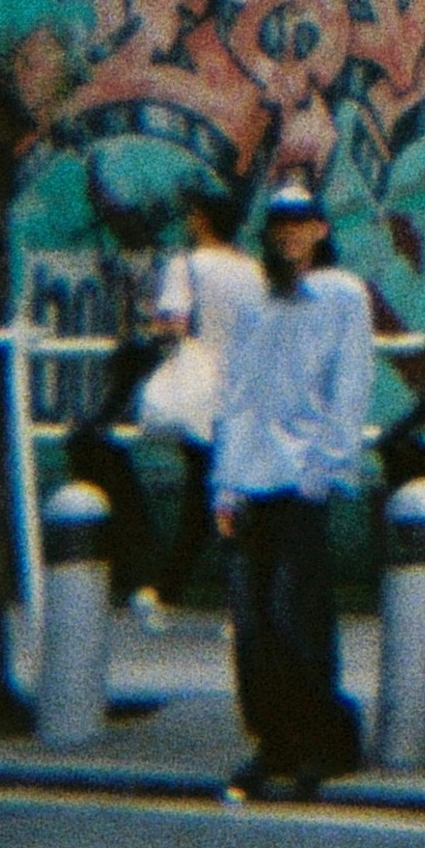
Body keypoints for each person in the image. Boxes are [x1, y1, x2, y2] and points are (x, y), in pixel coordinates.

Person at [210, 178, 375, 800]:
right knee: (251, 622)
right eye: (279, 223)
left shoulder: (340, 296)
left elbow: (350, 386)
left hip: (300, 476)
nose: (289, 233)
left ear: (321, 229)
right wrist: (224, 484)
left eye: (301, 221)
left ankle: (323, 737)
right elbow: (237, 395)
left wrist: (324, 469)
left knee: (295, 613)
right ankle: (272, 740)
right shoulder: (258, 303)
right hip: (251, 477)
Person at [135, 181, 262, 607]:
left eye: (192, 214)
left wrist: (147, 324)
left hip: (202, 393)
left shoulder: (186, 265)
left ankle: (175, 589)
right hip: (242, 387)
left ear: (202, 220)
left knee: (204, 493)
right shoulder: (251, 270)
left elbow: (173, 324)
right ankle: (211, 590)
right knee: (227, 492)